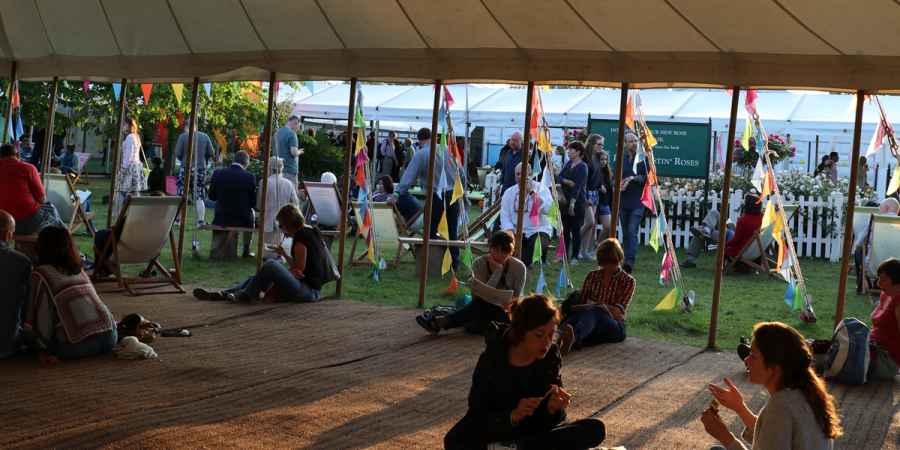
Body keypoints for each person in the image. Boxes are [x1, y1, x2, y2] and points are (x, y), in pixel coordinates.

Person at [444, 294, 606, 450]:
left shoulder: (550, 356)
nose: (547, 342)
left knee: (595, 429)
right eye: (539, 335)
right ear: (521, 333)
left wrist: (552, 409)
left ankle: (514, 448)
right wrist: (512, 416)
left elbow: (552, 420)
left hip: (532, 429)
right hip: (497, 427)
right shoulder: (493, 358)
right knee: (455, 440)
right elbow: (477, 410)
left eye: (551, 335)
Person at [702, 322, 842, 450]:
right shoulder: (805, 393)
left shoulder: (781, 406)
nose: (746, 360)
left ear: (774, 368)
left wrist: (725, 437)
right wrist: (740, 408)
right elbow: (771, 434)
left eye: (753, 355)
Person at [193, 204, 325, 302]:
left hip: (307, 291)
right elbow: (302, 266)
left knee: (271, 265)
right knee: (261, 275)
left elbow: (299, 269)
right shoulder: (311, 231)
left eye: (281, 226)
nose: (281, 230)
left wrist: (286, 265)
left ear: (288, 223)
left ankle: (247, 295)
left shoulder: (301, 237)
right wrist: (284, 254)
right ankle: (224, 293)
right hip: (309, 289)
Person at [23, 226, 117, 363]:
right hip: (110, 337)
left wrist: (41, 347)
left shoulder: (41, 274)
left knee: (26, 336)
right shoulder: (79, 270)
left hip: (76, 346)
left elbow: (40, 317)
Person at [416, 231, 526, 335]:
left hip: (505, 313)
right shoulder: (479, 263)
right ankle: (440, 322)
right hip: (480, 308)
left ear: (510, 253)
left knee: (474, 321)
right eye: (496, 250)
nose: (500, 255)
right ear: (490, 248)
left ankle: (439, 322)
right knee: (478, 311)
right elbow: (479, 295)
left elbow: (517, 298)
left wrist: (507, 303)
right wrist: (498, 271)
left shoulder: (519, 268)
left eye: (504, 252)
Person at [397, 127, 465, 266]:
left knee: (431, 229)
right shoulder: (449, 150)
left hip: (436, 195)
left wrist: (398, 192)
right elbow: (462, 173)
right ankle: (454, 262)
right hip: (454, 194)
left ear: (420, 140)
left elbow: (408, 177)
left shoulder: (421, 154)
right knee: (452, 229)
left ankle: (430, 261)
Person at [558, 238, 635, 356]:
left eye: (611, 263)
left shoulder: (627, 281)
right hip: (588, 319)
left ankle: (573, 338)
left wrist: (600, 306)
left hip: (614, 326)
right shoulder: (592, 276)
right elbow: (581, 303)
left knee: (595, 311)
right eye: (604, 263)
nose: (607, 267)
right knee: (578, 316)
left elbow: (618, 313)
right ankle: (567, 334)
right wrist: (576, 307)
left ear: (617, 260)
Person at [681, 193, 763, 268]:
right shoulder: (762, 219)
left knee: (700, 234)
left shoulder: (743, 220)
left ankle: (691, 257)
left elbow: (735, 241)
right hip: (740, 239)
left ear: (748, 205)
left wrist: (724, 245)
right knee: (715, 213)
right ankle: (706, 230)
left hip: (731, 240)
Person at [0, 143, 63, 235]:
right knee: (52, 211)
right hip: (27, 221)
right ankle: (64, 239)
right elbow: (42, 199)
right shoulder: (28, 168)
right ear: (17, 155)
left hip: (2, 223)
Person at [500, 163, 552, 268]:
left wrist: (531, 192)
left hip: (538, 230)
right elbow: (504, 215)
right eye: (517, 174)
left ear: (531, 174)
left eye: (523, 174)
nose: (520, 177)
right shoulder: (509, 192)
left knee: (535, 245)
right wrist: (509, 231)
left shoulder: (542, 189)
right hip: (515, 230)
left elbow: (548, 210)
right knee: (502, 243)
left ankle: (520, 266)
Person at [208, 150, 257, 258]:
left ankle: (219, 251)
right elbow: (253, 202)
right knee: (252, 214)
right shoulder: (250, 177)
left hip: (221, 217)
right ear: (247, 163)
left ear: (234, 160)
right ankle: (246, 249)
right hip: (242, 219)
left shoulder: (218, 173)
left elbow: (212, 196)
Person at [0, 210, 31, 359]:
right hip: (6, 343)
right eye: (12, 232)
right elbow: (29, 305)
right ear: (6, 234)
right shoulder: (21, 261)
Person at [174, 119, 216, 226]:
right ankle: (200, 221)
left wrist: (184, 157)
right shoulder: (205, 136)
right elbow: (212, 153)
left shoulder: (183, 137)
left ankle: (178, 220)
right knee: (199, 195)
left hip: (185, 168)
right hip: (200, 169)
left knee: (181, 194)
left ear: (186, 126)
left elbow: (177, 153)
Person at [619, 131, 648, 273]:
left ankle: (630, 261)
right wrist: (619, 183)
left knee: (632, 231)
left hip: (638, 201)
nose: (633, 143)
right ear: (625, 144)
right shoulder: (622, 158)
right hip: (623, 201)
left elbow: (647, 179)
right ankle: (624, 259)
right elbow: (616, 176)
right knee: (625, 232)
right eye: (630, 141)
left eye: (635, 140)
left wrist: (633, 178)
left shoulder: (643, 159)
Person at [260, 156, 300, 258]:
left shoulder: (263, 182)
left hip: (267, 220)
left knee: (267, 252)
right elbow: (295, 204)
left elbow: (259, 204)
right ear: (281, 168)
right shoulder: (288, 184)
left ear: (269, 168)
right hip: (284, 222)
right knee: (279, 248)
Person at [868, 258, 900, 380]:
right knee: (838, 347)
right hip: (873, 348)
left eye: (883, 279)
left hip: (886, 360)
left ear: (896, 280)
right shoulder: (885, 294)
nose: (878, 283)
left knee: (840, 357)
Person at [556, 141, 588, 265]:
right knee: (565, 230)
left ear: (578, 152)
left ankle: (575, 256)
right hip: (565, 201)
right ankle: (563, 255)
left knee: (575, 230)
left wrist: (572, 204)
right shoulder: (568, 163)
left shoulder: (583, 167)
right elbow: (559, 177)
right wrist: (567, 181)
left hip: (577, 203)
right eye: (568, 150)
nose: (568, 152)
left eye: (571, 150)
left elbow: (578, 187)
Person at [113, 118, 147, 218]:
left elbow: (129, 156)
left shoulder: (130, 138)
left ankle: (119, 212)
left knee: (121, 191)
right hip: (136, 166)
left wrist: (123, 169)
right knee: (134, 192)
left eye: (124, 125)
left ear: (128, 126)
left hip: (129, 167)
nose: (123, 127)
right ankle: (135, 213)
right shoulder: (136, 137)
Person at [275, 115, 303, 190]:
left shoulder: (277, 132)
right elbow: (293, 152)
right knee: (292, 197)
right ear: (295, 123)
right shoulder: (292, 134)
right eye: (298, 126)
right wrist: (299, 152)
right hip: (289, 170)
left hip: (277, 169)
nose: (297, 129)